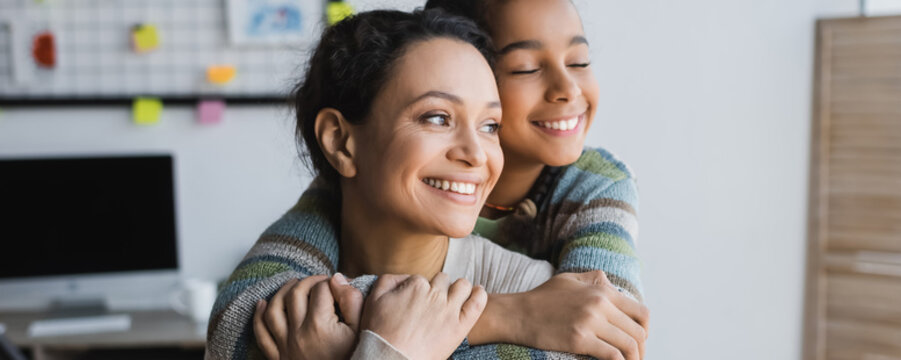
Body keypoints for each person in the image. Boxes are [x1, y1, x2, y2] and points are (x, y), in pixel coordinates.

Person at [206, 0, 648, 359]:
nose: (475, 153)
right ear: (340, 143)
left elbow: (608, 327)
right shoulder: (290, 275)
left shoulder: (554, 298)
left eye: (490, 126)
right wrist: (497, 319)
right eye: (437, 117)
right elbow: (233, 329)